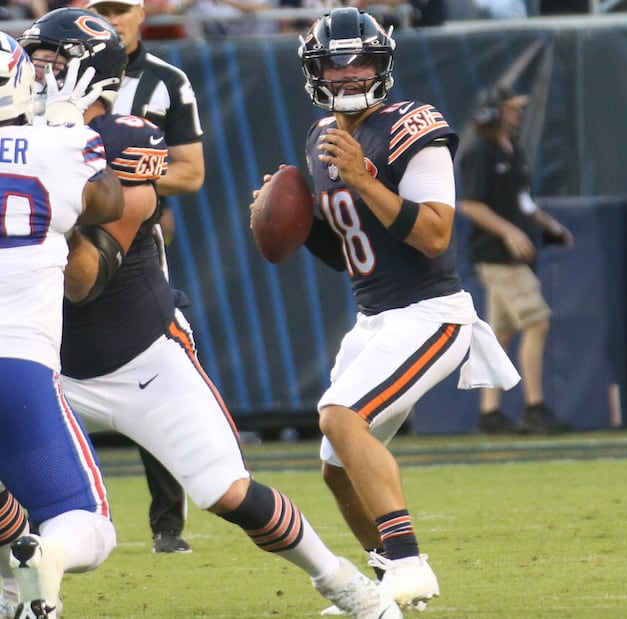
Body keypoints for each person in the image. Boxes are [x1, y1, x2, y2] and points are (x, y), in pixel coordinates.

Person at [20, 8, 402, 619]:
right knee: (21, 497)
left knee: (227, 492)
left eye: (46, 63)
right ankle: (20, 596)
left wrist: (49, 193)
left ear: (87, 75)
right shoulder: (16, 142)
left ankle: (339, 581)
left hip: (140, 355)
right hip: (44, 362)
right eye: (30, 61)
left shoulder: (123, 140)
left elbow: (84, 281)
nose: (30, 74)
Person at [283, 7, 519, 613]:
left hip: (430, 313)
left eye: (360, 61)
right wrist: (291, 222)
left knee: (340, 417)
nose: (348, 73)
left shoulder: (413, 127)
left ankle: (411, 565)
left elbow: (435, 236)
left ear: (383, 64)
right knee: (336, 467)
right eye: (335, 64)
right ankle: (383, 583)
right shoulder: (320, 136)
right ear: (315, 73)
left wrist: (364, 180)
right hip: (375, 317)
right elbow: (349, 254)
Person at [0, 32, 125, 619]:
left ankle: (18, 598)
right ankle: (45, 554)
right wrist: (69, 128)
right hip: (18, 365)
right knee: (84, 522)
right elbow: (109, 204)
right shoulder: (54, 147)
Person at [83, 0, 206, 554]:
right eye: (101, 9)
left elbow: (191, 172)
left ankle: (168, 523)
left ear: (141, 13)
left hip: (136, 241)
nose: (112, 20)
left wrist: (118, 178)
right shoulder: (55, 75)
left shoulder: (165, 81)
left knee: (152, 367)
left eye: (120, 9)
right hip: (61, 232)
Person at [458, 85, 574, 436]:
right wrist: (508, 231)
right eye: (512, 108)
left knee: (500, 334)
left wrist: (549, 224)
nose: (518, 114)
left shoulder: (514, 150)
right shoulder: (480, 153)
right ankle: (534, 407)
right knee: (537, 322)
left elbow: (523, 201)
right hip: (498, 256)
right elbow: (470, 204)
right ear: (493, 112)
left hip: (514, 255)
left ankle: (490, 413)